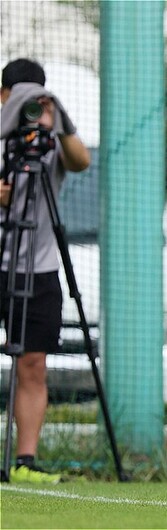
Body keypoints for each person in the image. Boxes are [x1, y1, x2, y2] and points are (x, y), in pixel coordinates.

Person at [0, 58, 91, 484]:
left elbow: (81, 162)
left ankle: (26, 461)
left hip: (39, 268)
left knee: (33, 362)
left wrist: (62, 121)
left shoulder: (51, 142)